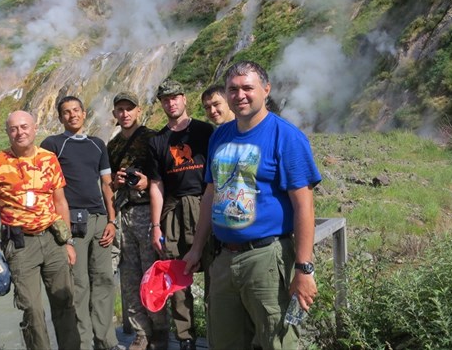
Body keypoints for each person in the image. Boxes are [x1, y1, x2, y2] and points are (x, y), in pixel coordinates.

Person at [182, 61, 321, 350]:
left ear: (266, 90)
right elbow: (211, 193)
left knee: (277, 342)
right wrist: (197, 248)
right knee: (224, 342)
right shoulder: (220, 135)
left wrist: (304, 269)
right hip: (222, 259)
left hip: (266, 259)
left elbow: (304, 206)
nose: (240, 95)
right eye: (233, 89)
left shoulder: (287, 136)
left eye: (248, 87)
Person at [0, 110, 80, 350]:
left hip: (54, 240)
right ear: (7, 133)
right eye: (13, 128)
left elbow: (61, 202)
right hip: (21, 246)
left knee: (64, 302)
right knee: (32, 310)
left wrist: (68, 242)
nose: (19, 132)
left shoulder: (49, 158)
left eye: (24, 127)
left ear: (35, 128)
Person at [40, 96, 122, 350]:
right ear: (60, 117)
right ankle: (83, 344)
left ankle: (106, 341)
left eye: (76, 110)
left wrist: (112, 220)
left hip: (99, 220)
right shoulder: (53, 144)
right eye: (66, 112)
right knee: (79, 285)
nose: (72, 115)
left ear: (84, 113)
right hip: (72, 222)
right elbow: (46, 187)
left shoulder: (97, 145)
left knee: (104, 280)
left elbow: (106, 184)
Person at [147, 79, 214, 350]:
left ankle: (217, 331)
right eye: (165, 99)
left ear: (184, 98)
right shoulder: (158, 140)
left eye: (174, 97)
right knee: (176, 276)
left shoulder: (205, 131)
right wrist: (155, 225)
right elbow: (156, 185)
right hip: (173, 211)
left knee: (214, 270)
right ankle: (185, 337)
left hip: (204, 203)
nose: (170, 102)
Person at [108, 92, 170, 350]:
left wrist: (146, 182)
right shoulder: (111, 146)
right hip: (124, 213)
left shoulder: (153, 138)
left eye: (129, 109)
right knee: (130, 275)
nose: (125, 114)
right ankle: (140, 332)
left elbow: (165, 176)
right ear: (115, 114)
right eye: (120, 109)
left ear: (138, 111)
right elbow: (108, 182)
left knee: (152, 273)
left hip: (147, 212)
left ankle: (160, 330)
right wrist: (116, 181)